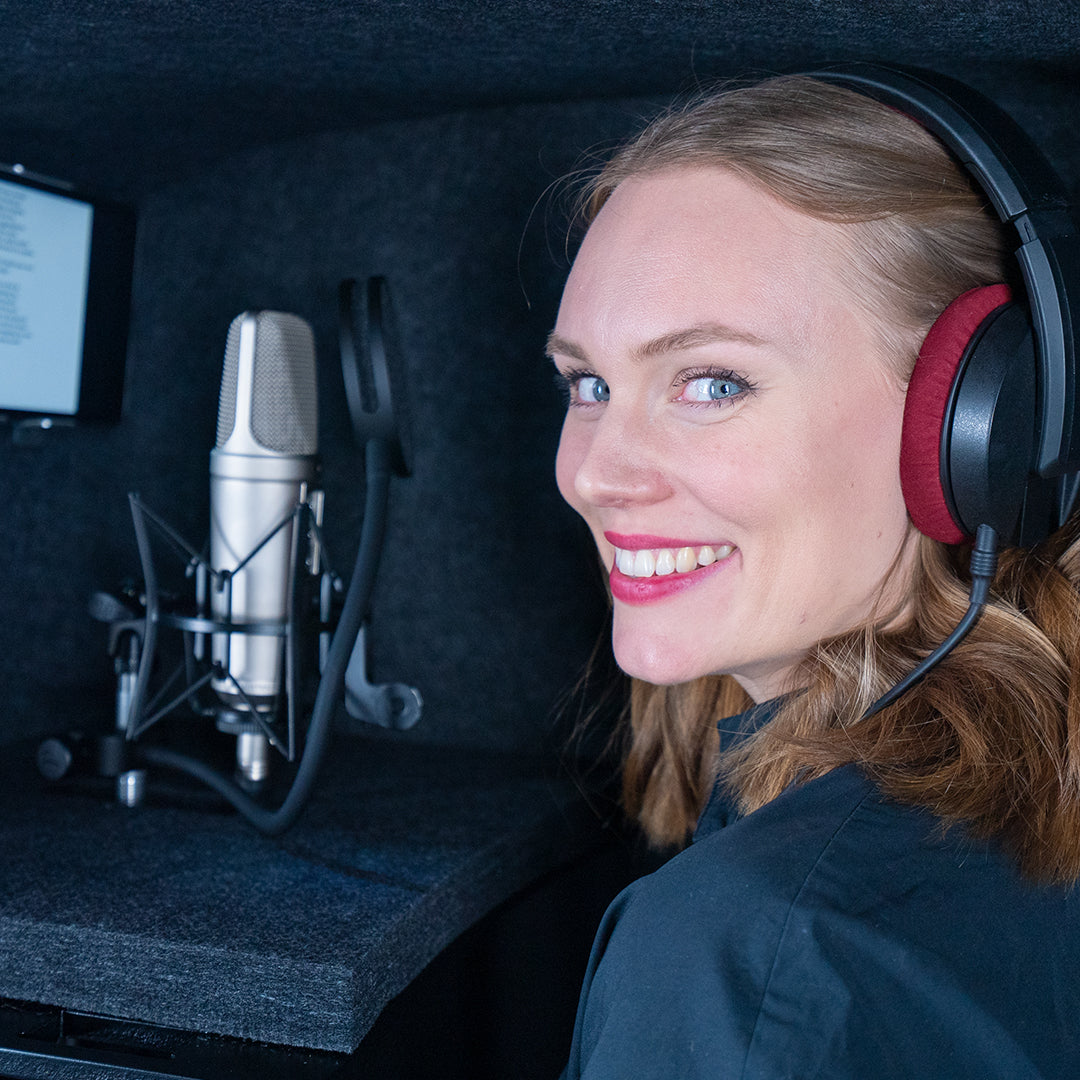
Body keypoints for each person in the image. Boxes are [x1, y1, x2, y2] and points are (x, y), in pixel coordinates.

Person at [548, 74, 1080, 1079]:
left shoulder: (742, 955)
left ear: (980, 424)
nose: (595, 474)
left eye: (712, 382)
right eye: (589, 384)